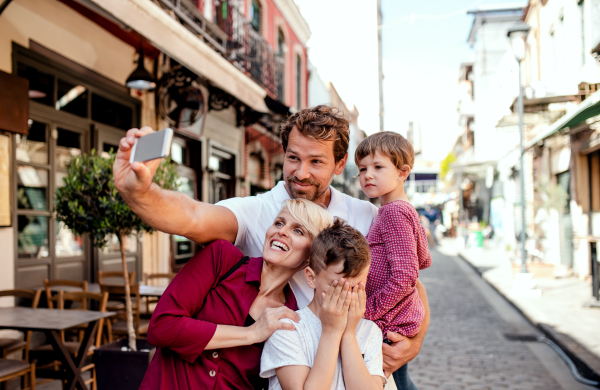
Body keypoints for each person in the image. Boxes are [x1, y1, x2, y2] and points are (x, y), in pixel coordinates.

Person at [113, 105, 430, 379]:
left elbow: (409, 280)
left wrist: (415, 340)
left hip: (357, 361)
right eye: (293, 158)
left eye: (316, 162)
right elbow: (192, 216)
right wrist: (139, 192)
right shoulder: (260, 208)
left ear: (339, 163)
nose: (300, 173)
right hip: (288, 364)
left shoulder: (366, 214)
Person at [140, 199, 333, 389]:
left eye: (298, 231)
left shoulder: (289, 318)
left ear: (310, 256)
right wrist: (251, 333)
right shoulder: (222, 259)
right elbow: (162, 327)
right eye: (279, 223)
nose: (281, 231)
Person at [260, 220, 385, 390]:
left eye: (356, 287)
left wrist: (348, 334)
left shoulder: (369, 332)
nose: (346, 296)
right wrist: (332, 332)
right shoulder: (287, 330)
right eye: (337, 286)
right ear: (311, 278)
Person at [355, 131, 433, 390]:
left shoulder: (393, 212)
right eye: (362, 168)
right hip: (394, 318)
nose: (368, 174)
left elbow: (405, 277)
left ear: (403, 172)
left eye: (378, 167)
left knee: (391, 383)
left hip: (388, 322)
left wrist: (367, 314)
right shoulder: (400, 209)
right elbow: (422, 259)